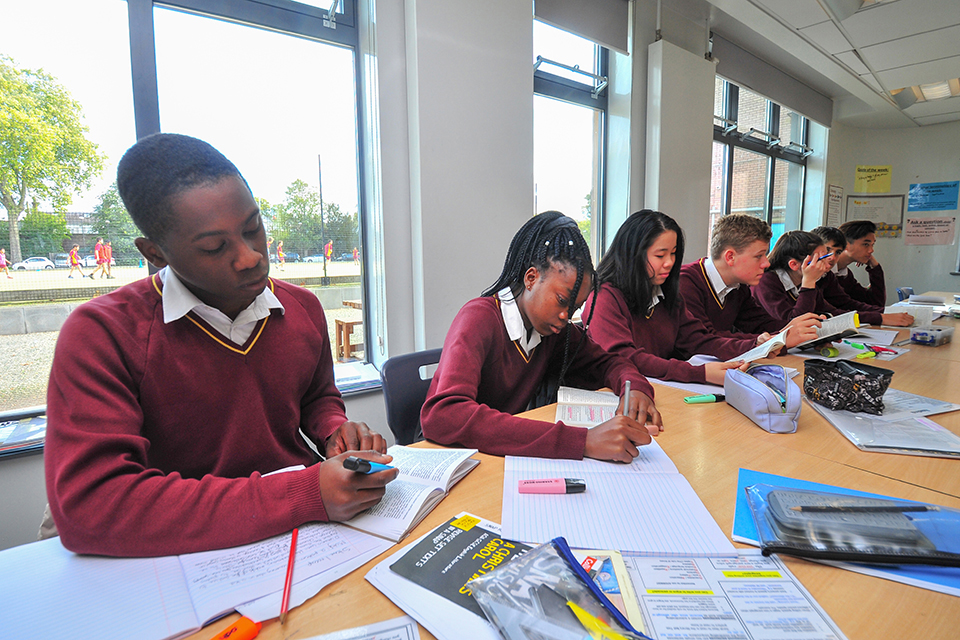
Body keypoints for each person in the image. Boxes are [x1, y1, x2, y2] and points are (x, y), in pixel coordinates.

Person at [45, 133, 395, 558]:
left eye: (253, 229)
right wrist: (303, 493)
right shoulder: (102, 334)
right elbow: (92, 509)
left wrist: (333, 429)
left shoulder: (301, 307)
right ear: (155, 253)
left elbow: (315, 396)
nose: (251, 257)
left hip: (304, 533)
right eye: (214, 247)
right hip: (180, 547)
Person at [421, 211, 661, 463]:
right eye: (562, 300)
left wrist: (635, 387)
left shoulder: (553, 331)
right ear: (531, 278)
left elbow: (608, 362)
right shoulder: (479, 319)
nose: (566, 316)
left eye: (575, 308)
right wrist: (583, 441)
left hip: (499, 456)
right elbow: (444, 415)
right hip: (452, 457)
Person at [584, 210, 752, 387]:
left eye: (673, 253)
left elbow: (698, 340)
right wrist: (700, 373)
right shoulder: (604, 297)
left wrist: (755, 347)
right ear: (633, 255)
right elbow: (624, 357)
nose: (670, 262)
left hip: (656, 389)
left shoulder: (665, 293)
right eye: (660, 255)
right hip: (614, 394)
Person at [680, 214, 821, 348]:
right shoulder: (685, 282)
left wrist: (807, 332)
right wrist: (765, 341)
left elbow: (760, 325)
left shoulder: (738, 286)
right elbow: (705, 339)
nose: (766, 263)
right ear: (730, 257)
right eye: (759, 256)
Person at [812, 226, 913, 327]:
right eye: (866, 244)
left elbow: (850, 304)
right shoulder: (815, 276)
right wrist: (880, 317)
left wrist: (888, 312)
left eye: (838, 252)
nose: (871, 250)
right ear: (847, 245)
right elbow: (831, 313)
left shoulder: (835, 275)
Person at [752, 230, 842, 324]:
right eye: (819, 260)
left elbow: (830, 311)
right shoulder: (766, 282)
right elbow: (793, 322)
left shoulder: (804, 282)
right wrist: (809, 282)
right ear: (794, 264)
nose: (826, 266)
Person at [836, 220, 889, 306]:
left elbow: (876, 303)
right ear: (845, 244)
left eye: (872, 245)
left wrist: (875, 268)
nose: (871, 250)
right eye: (866, 244)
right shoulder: (824, 272)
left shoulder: (845, 275)